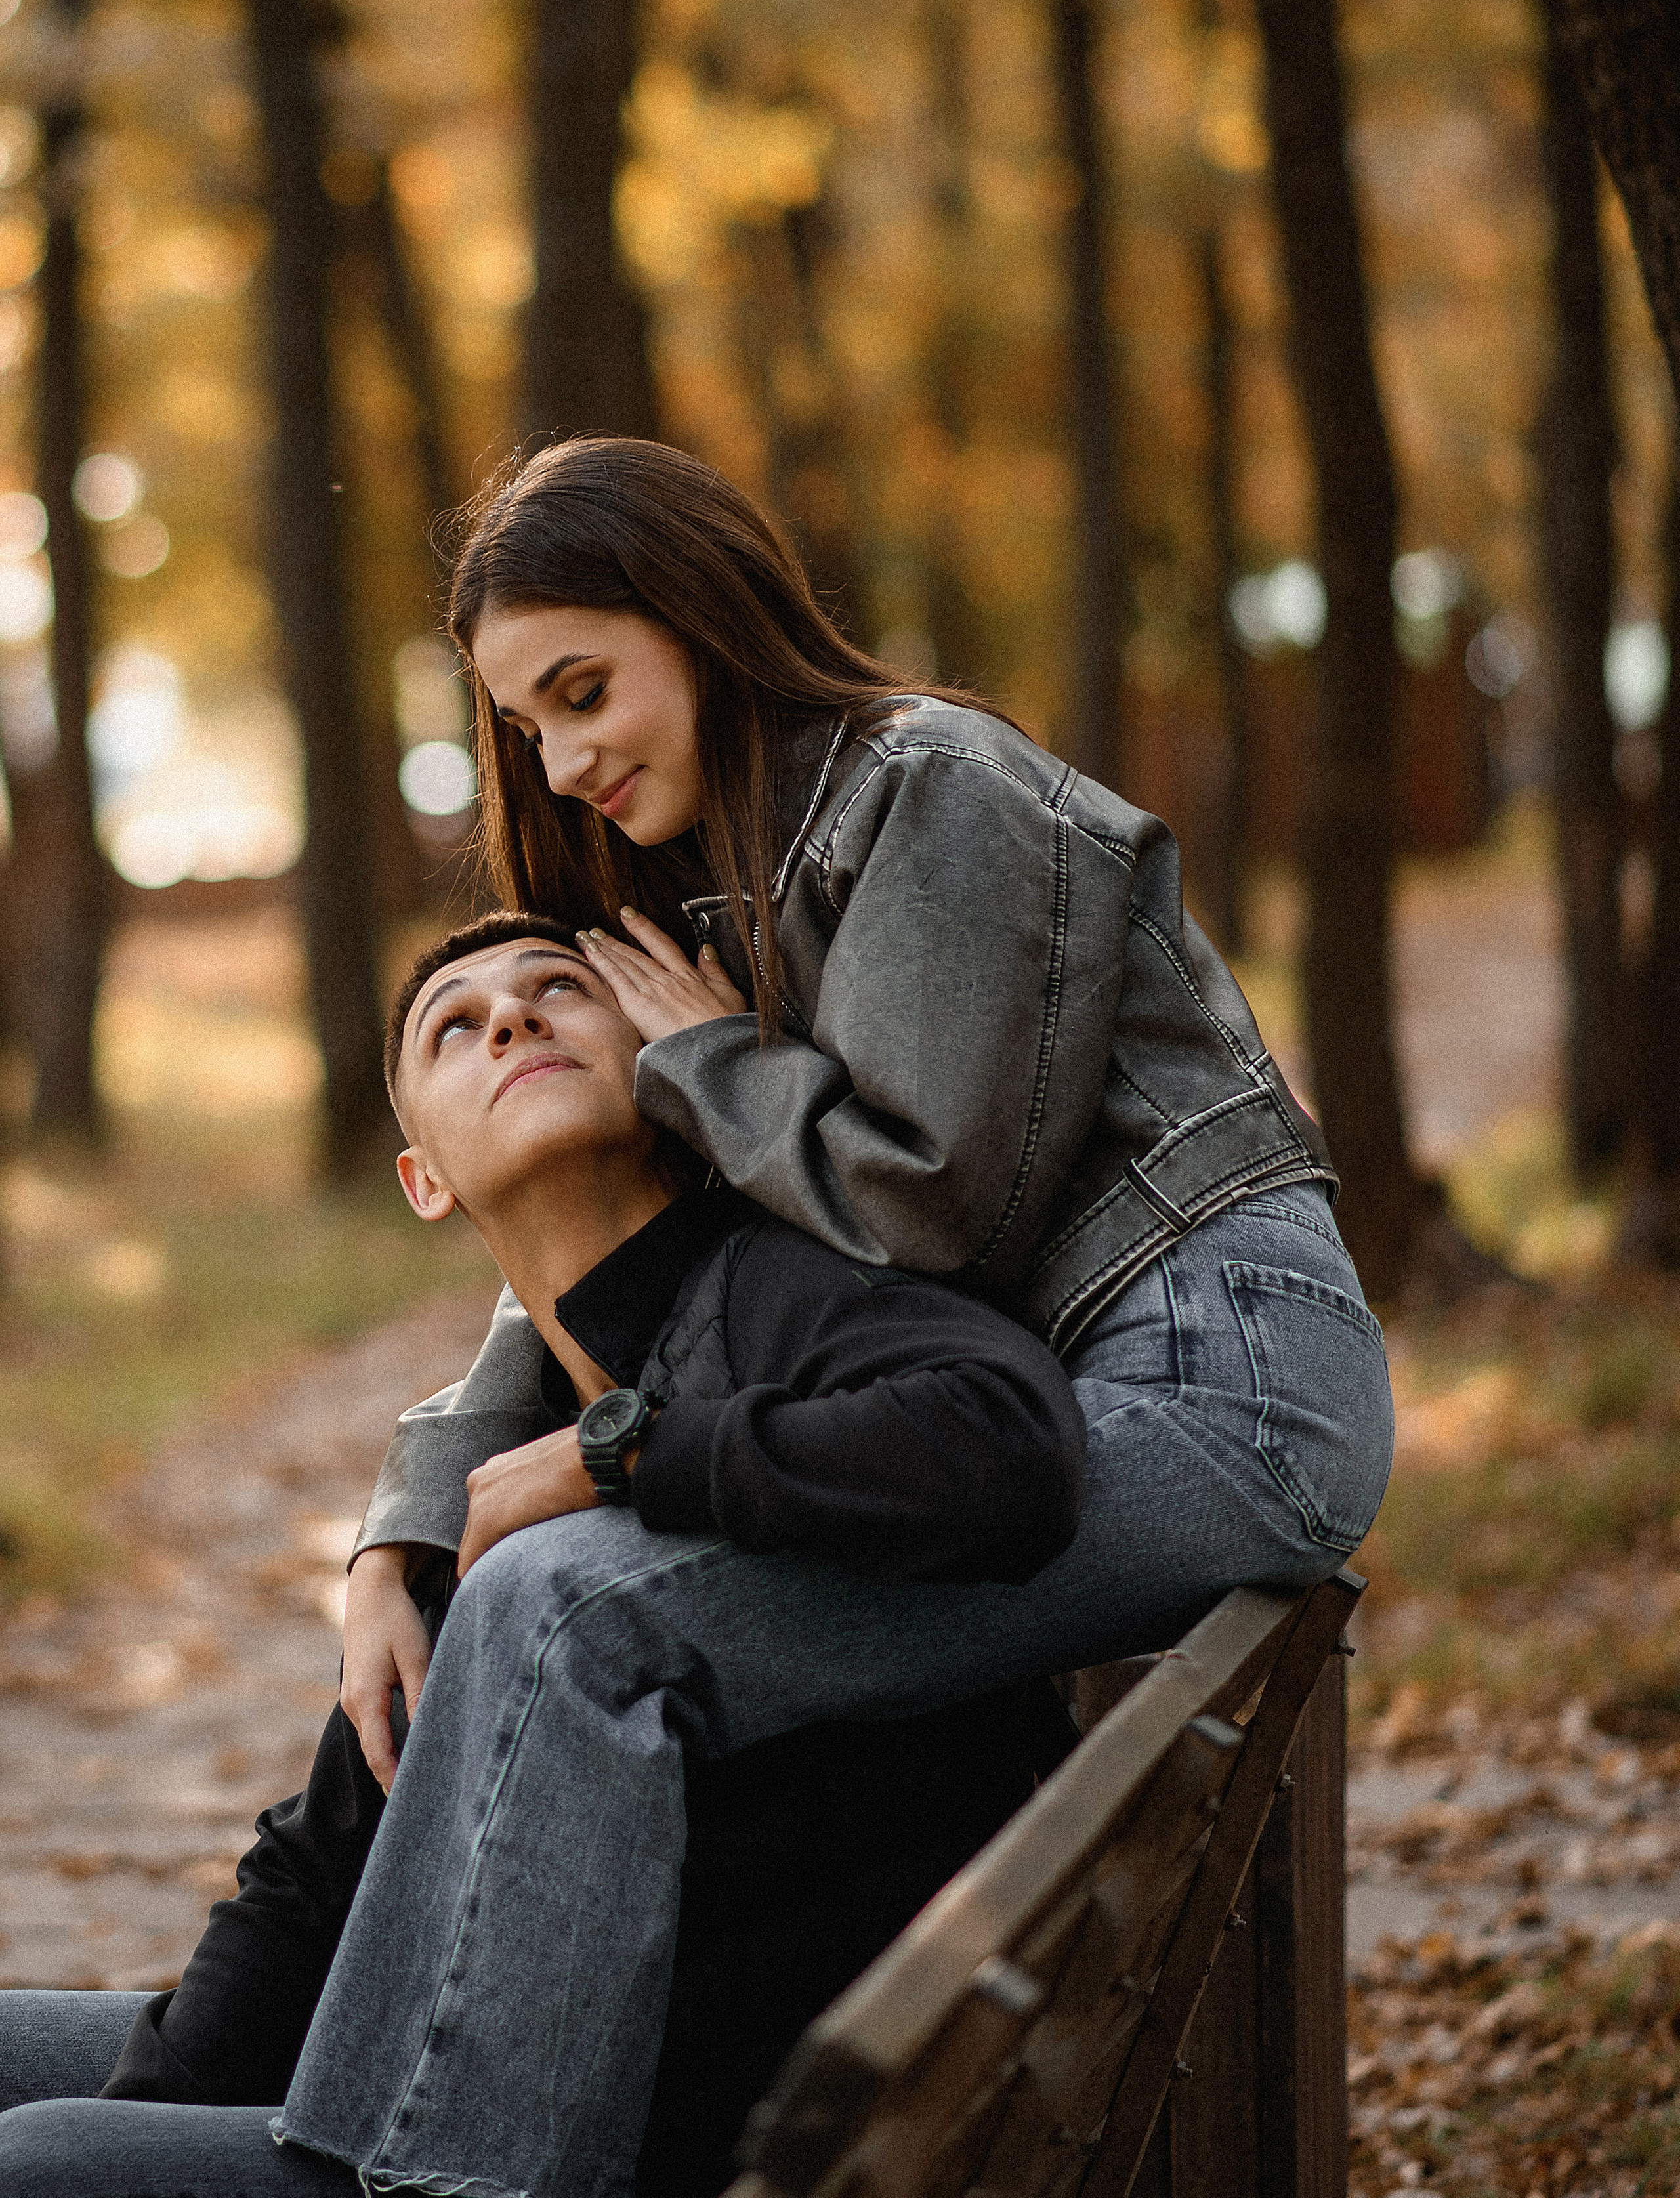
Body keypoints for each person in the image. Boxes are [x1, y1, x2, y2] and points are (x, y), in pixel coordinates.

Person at [266, 437, 1393, 2198]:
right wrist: (409, 1514)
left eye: (585, 692)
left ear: (702, 622)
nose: (564, 760)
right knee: (546, 1585)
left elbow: (927, 1213)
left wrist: (705, 1065)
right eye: (527, 726)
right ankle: (376, 2122)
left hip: (1217, 1389)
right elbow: (628, 1265)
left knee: (577, 1604)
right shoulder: (729, 868)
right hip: (1071, 1397)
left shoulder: (930, 785)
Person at [0, 916, 1087, 2198]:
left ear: (659, 1068)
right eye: (454, 1027)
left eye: (558, 991)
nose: (510, 1020)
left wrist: (626, 1450)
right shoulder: (524, 1431)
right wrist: (159, 2109)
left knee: (40, 2165)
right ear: (423, 1180)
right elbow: (317, 1866)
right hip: (427, 2042)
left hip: (636, 2126)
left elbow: (1007, 1441)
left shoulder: (767, 1291)